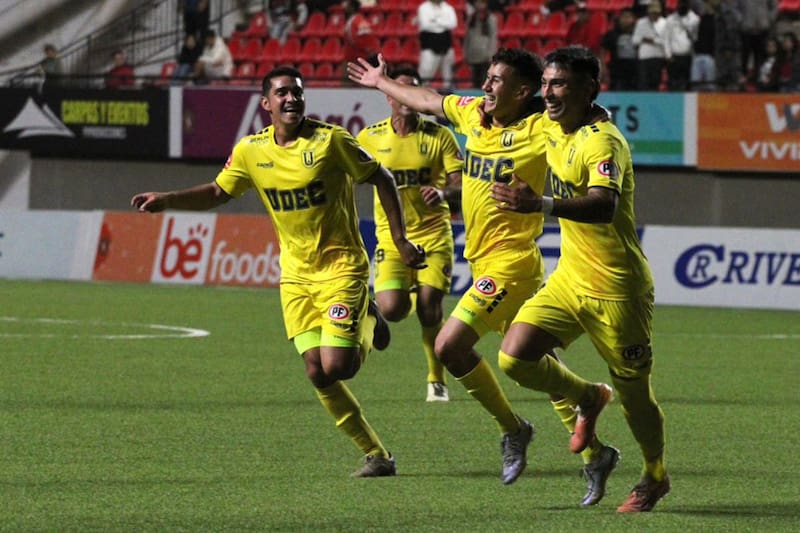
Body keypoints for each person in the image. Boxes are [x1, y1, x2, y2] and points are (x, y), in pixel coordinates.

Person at [131, 66, 426, 478]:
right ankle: (376, 454)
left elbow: (383, 177)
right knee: (316, 371)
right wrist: (168, 199)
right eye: (283, 93)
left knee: (340, 366)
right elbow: (219, 192)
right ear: (266, 103)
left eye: (298, 93)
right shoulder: (252, 151)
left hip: (341, 267)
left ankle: (367, 316)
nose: (291, 99)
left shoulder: (331, 141)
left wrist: (400, 241)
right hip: (295, 275)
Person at [348, 49, 618, 499]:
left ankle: (514, 428)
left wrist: (599, 111)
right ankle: (595, 453)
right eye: (487, 78)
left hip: (511, 261)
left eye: (497, 82)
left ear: (522, 92)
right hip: (484, 261)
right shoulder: (474, 114)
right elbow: (429, 99)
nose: (487, 88)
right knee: (536, 364)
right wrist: (380, 82)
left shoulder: (540, 128)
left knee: (449, 345)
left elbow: (585, 118)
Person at [489, 45, 669, 513]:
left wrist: (540, 205)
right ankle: (588, 396)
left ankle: (654, 475)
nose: (548, 94)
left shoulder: (603, 142)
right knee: (515, 356)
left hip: (618, 290)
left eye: (559, 84)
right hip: (570, 278)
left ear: (589, 88)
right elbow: (500, 97)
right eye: (545, 84)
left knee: (636, 399)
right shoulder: (550, 122)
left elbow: (603, 204)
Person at [356, 66, 463, 403]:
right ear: (389, 96)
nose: (408, 99)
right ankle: (375, 310)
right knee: (393, 309)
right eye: (402, 91)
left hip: (433, 232)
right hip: (390, 236)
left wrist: (444, 194)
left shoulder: (440, 137)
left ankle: (436, 379)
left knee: (430, 307)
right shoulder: (369, 138)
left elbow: (462, 184)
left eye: (414, 91)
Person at [416, 0, 459, 89]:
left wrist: (435, 20)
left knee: (448, 77)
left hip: (446, 45)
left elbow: (453, 24)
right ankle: (420, 96)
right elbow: (425, 25)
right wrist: (443, 23)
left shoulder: (448, 8)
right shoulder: (423, 8)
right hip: (429, 46)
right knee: (425, 75)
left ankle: (447, 97)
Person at [663, 0, 700, 91]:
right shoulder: (670, 19)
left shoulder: (695, 19)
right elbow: (666, 38)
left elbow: (695, 38)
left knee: (687, 83)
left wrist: (689, 29)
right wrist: (668, 55)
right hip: (674, 57)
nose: (682, 5)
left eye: (684, 3)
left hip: (688, 56)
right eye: (680, 3)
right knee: (673, 83)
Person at [631, 1, 667, 90]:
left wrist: (652, 40)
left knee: (655, 83)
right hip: (644, 58)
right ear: (648, 12)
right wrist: (644, 39)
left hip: (658, 57)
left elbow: (665, 41)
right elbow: (634, 40)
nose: (654, 15)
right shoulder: (641, 22)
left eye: (656, 13)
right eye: (652, 13)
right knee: (643, 84)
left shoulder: (665, 23)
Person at [601, 8, 639, 91]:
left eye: (629, 17)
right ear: (619, 19)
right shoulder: (612, 34)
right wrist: (604, 68)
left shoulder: (638, 33)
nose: (626, 19)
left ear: (634, 19)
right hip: (617, 72)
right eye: (624, 17)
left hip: (635, 71)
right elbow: (603, 50)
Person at [463, 0, 499, 89]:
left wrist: (491, 54)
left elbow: (493, 37)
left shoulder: (491, 18)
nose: (479, 5)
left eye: (482, 2)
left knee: (484, 81)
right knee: (475, 80)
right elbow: (467, 37)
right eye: (477, 2)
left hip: (485, 55)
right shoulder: (471, 18)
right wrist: (466, 53)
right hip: (473, 53)